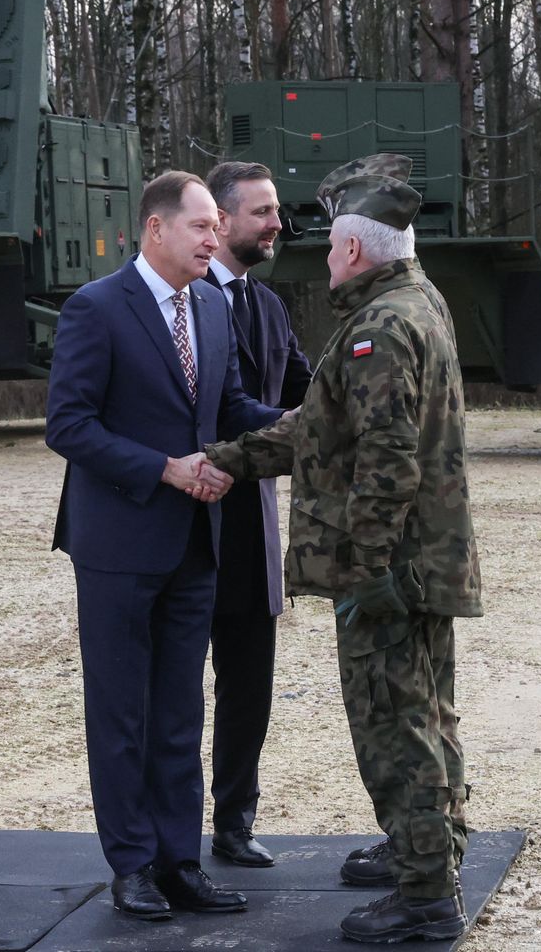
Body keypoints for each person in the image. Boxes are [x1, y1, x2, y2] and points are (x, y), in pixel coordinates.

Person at [204, 154, 481, 944]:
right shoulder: (415, 299)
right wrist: (231, 460)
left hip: (393, 569)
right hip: (424, 560)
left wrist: (363, 571)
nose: (324, 256)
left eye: (330, 246)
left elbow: (384, 460)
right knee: (428, 711)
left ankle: (426, 896)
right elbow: (321, 427)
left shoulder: (382, 329)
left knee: (397, 727)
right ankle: (426, 851)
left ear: (354, 251)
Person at [45, 170, 282, 922]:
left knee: (180, 713)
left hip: (197, 547)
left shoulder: (213, 306)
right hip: (118, 543)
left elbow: (233, 406)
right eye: (203, 226)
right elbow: (69, 425)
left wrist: (309, 425)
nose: (215, 239)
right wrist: (163, 469)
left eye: (217, 227)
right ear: (156, 230)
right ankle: (133, 867)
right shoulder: (94, 309)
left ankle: (182, 863)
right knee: (122, 714)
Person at [201, 162, 313, 868]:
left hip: (250, 526)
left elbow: (308, 385)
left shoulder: (268, 306)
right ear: (221, 219)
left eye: (276, 212)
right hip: (187, 520)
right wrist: (295, 424)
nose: (277, 224)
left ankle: (234, 821)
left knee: (249, 686)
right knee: (177, 694)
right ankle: (173, 831)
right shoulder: (179, 301)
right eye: (264, 212)